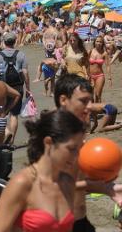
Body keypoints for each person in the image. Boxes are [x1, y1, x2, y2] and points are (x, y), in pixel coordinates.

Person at [0, 110, 85, 232]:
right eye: (71, 149)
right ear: (48, 143)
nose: (76, 155)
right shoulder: (22, 183)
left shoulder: (67, 182)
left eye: (79, 149)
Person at [54, 74, 122, 231]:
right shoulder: (54, 136)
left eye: (90, 101)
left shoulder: (78, 134)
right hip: (58, 224)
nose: (90, 107)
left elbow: (75, 180)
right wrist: (102, 188)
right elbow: (47, 187)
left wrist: (111, 187)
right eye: (84, 101)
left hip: (81, 220)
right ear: (64, 100)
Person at [0, 32, 29, 144]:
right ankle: (12, 140)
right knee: (14, 115)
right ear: (15, 41)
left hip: (3, 88)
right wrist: (28, 88)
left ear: (4, 42)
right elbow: (25, 73)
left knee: (0, 112)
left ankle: (6, 132)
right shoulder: (21, 54)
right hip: (17, 87)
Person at [88, 36, 110, 103]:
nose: (98, 43)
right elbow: (85, 63)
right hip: (90, 76)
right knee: (90, 95)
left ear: (103, 43)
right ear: (94, 42)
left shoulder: (104, 53)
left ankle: (96, 110)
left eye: (100, 42)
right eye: (97, 41)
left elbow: (108, 65)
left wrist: (109, 78)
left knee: (98, 95)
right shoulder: (90, 51)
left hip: (100, 75)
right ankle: (93, 109)